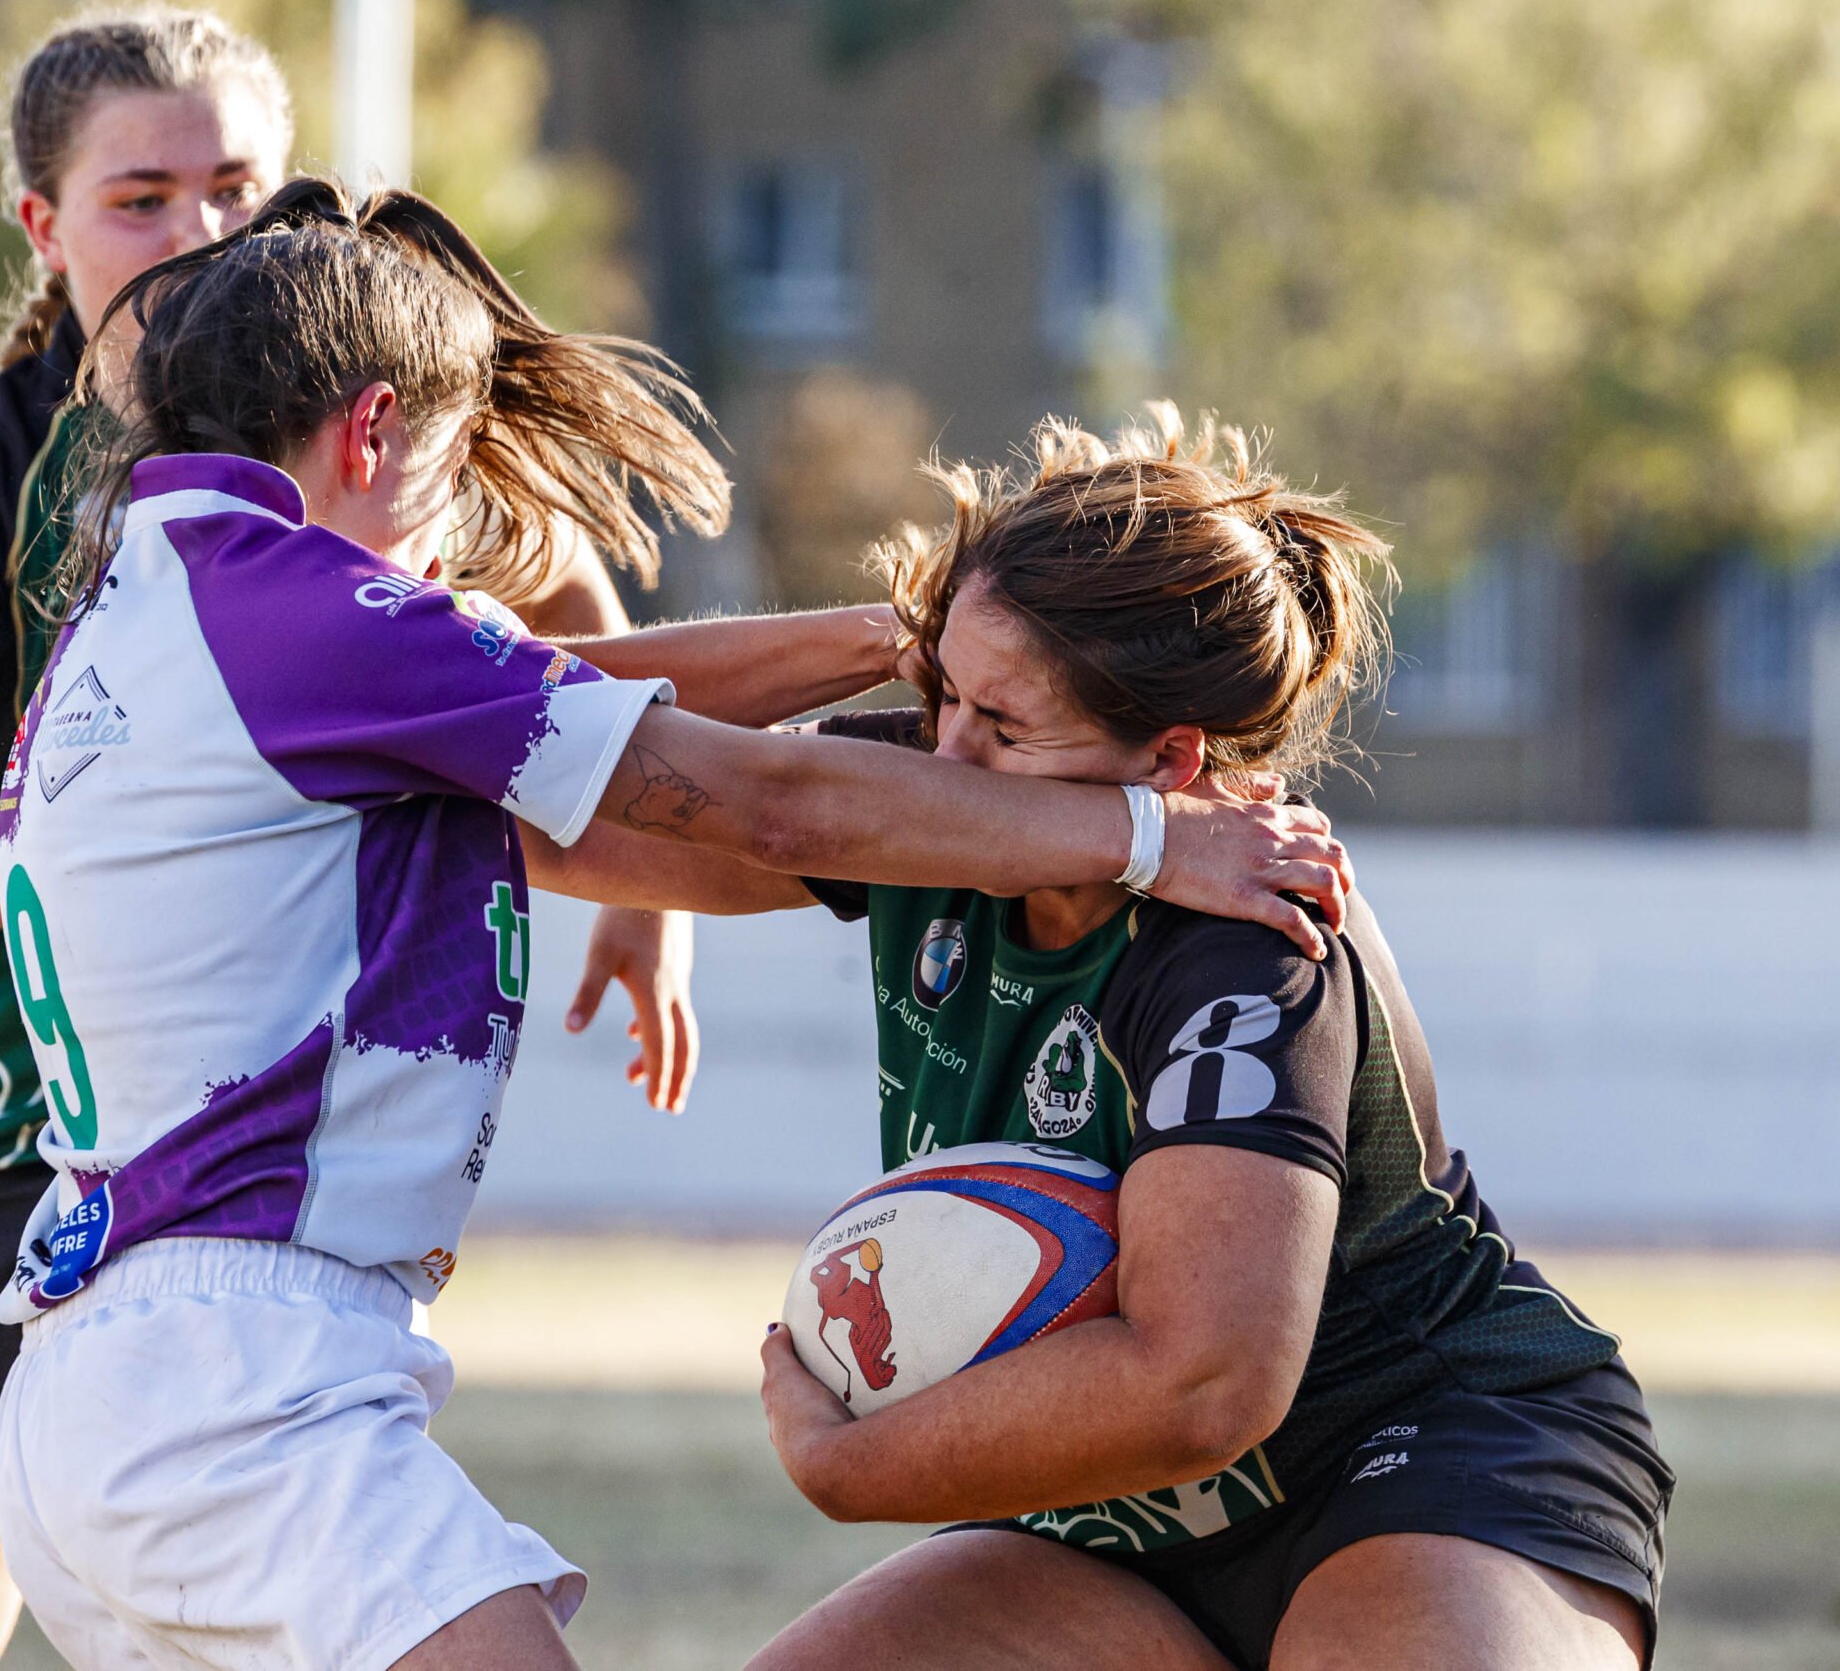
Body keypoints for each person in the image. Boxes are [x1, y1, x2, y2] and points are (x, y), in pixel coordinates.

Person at [0, 178, 1350, 1671]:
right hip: (239, 1373)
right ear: (371, 431)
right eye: (454, 484)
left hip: (95, 1380)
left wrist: (914, 646)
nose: (454, 547)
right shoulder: (299, 609)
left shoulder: (149, 603)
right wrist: (1152, 834)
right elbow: (762, 800)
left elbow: (597, 680)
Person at [0, 6, 701, 1671]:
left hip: (241, 1181)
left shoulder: (370, 434)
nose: (199, 230)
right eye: (142, 196)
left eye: (237, 183)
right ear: (42, 227)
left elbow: (573, 663)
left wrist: (654, 902)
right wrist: (123, 880)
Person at [555, 409, 1673, 1670]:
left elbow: (1202, 1382)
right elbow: (524, 795)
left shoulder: (1247, 933)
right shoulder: (917, 792)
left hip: (1418, 1455)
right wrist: (882, 645)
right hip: (1114, 1529)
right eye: (939, 695)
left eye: (1003, 726)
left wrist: (850, 1463)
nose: (948, 758)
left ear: (1171, 760)